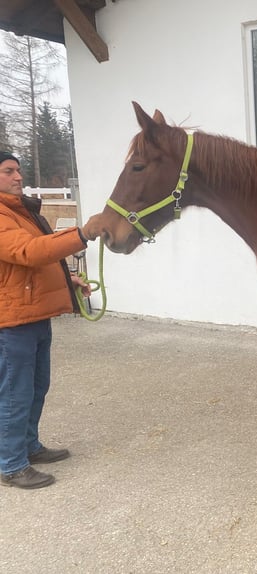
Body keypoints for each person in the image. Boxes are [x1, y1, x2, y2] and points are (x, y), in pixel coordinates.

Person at [0, 150, 92, 489]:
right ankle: (11, 465)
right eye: (8, 171)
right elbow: (29, 252)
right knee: (14, 394)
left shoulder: (20, 211)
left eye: (19, 170)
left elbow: (42, 258)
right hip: (12, 322)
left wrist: (71, 280)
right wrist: (83, 234)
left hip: (34, 314)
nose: (18, 177)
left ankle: (28, 447)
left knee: (37, 387)